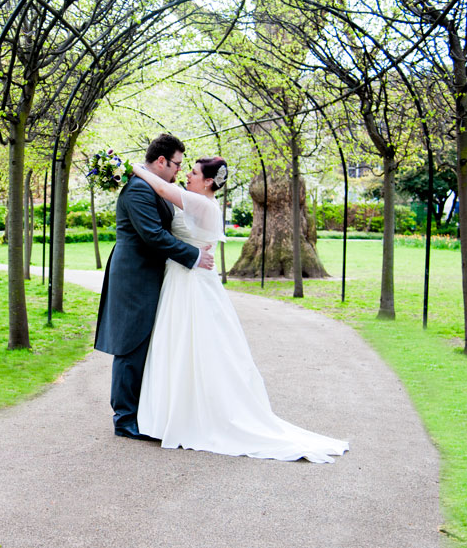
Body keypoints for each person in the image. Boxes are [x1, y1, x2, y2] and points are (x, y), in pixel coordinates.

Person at [130, 156, 349, 463]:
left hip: (192, 284)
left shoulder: (203, 204)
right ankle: (171, 410)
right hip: (182, 278)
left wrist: (137, 169)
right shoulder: (196, 200)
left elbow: (165, 192)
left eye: (192, 172)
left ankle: (190, 413)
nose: (186, 176)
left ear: (207, 181)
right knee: (178, 343)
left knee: (192, 344)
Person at [95, 134, 214, 441]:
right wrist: (195, 256)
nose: (179, 171)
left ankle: (141, 412)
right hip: (134, 276)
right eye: (176, 164)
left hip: (150, 274)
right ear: (161, 161)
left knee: (145, 345)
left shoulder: (153, 187)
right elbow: (153, 236)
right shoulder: (138, 191)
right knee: (130, 345)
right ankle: (124, 419)